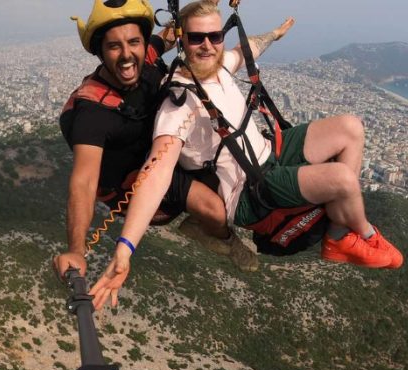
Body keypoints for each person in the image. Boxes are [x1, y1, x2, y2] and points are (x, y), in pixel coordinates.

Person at [89, 0, 403, 308]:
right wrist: (125, 247)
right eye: (197, 38)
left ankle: (337, 229)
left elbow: (246, 50)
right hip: (248, 191)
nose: (207, 45)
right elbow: (156, 174)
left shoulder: (219, 64)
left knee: (351, 128)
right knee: (343, 180)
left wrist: (273, 35)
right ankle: (352, 235)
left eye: (215, 36)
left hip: (268, 152)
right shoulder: (179, 102)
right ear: (181, 39)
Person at [52, 0, 258, 279]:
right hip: (138, 176)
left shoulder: (144, 58)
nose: (127, 55)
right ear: (100, 52)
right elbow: (83, 183)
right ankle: (226, 240)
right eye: (114, 46)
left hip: (165, 149)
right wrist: (76, 248)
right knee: (215, 210)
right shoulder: (93, 113)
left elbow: (167, 38)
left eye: (134, 42)